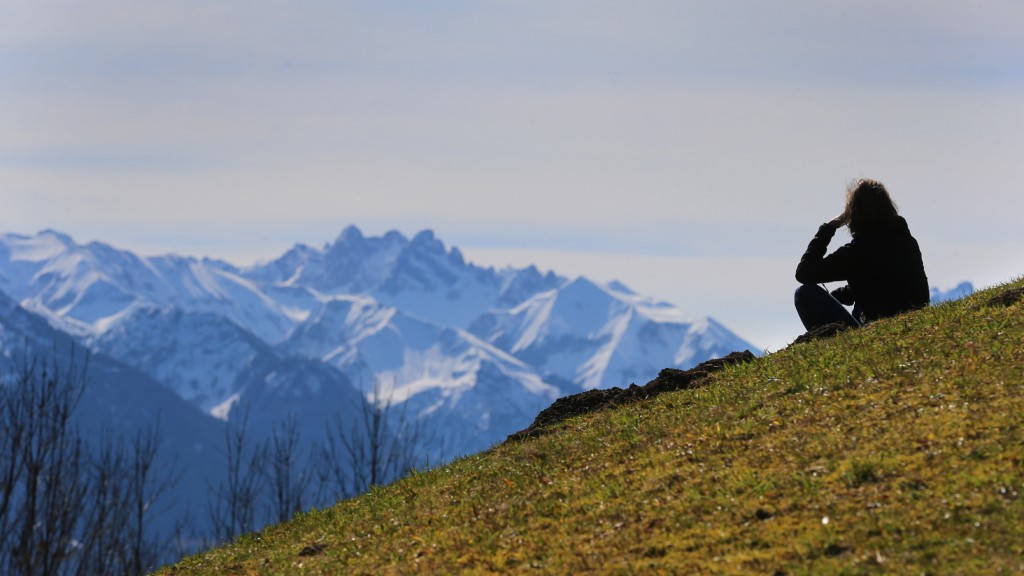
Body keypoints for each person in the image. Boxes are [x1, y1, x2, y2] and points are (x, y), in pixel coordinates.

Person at [794, 178, 929, 331]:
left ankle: (833, 344)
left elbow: (804, 273)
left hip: (876, 327)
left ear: (855, 214)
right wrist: (839, 295)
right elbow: (881, 281)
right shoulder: (906, 241)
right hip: (913, 320)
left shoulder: (858, 251)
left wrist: (829, 227)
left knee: (804, 294)